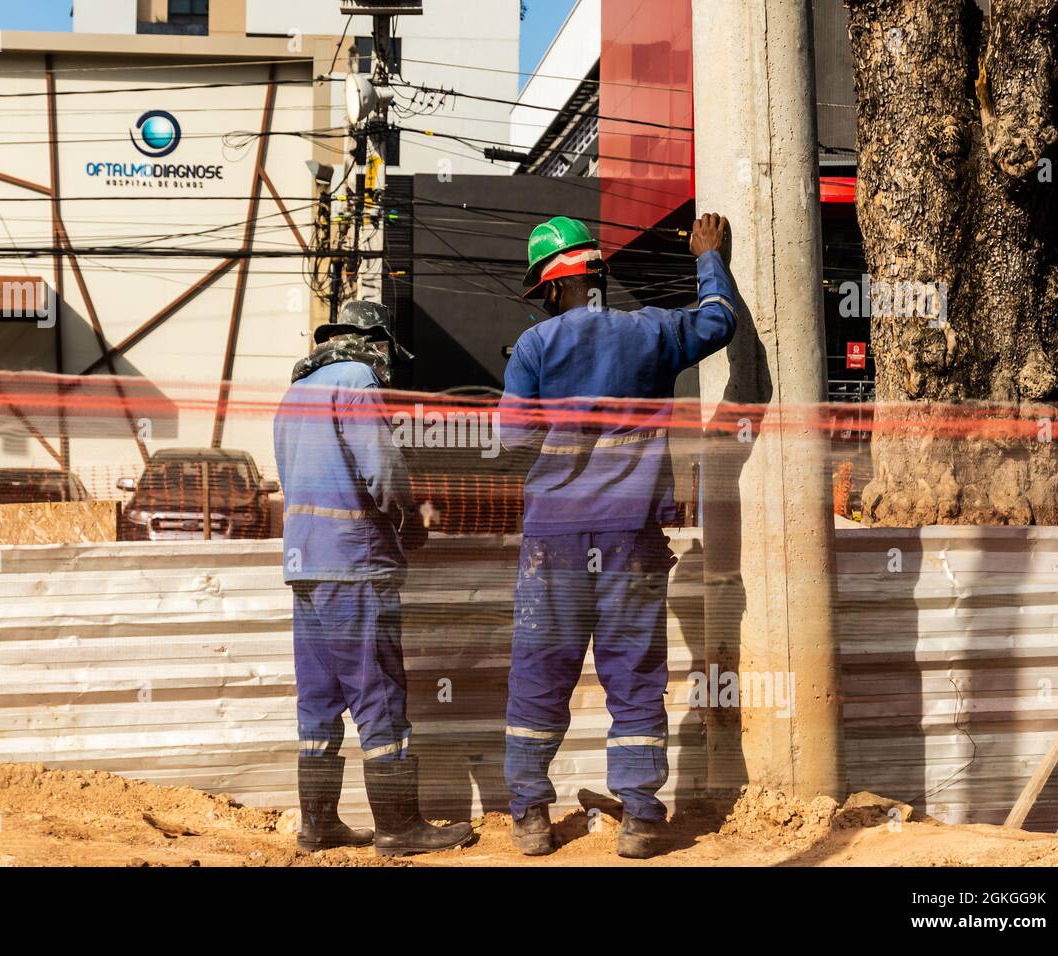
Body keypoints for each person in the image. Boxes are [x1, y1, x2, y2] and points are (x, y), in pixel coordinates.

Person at [498, 213, 737, 858]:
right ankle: (639, 817)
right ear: (598, 274)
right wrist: (708, 257)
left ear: (551, 287)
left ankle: (529, 816)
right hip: (632, 536)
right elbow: (719, 319)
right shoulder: (653, 330)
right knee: (633, 674)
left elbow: (513, 441)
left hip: (554, 539)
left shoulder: (535, 347)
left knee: (541, 673)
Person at [273, 299, 475, 857]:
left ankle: (318, 825)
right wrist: (410, 520)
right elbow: (382, 468)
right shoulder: (357, 378)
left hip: (305, 568)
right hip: (355, 566)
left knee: (319, 700)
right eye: (387, 348)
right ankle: (397, 827)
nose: (388, 361)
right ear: (372, 340)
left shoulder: (293, 394)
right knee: (378, 691)